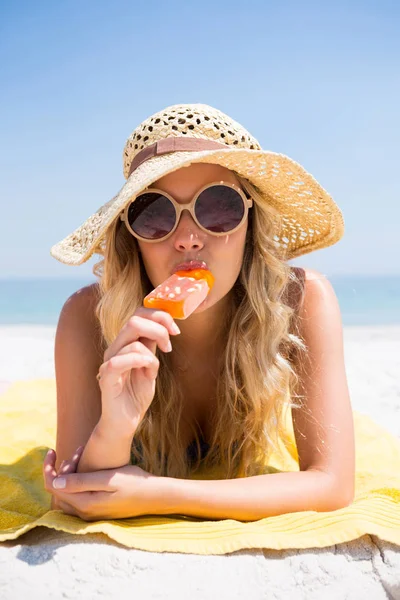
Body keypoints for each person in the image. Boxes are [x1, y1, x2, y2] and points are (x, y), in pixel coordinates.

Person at [43, 103, 355, 522]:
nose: (188, 239)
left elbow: (333, 484)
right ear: (131, 237)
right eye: (155, 214)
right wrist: (115, 427)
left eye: (218, 208)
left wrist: (157, 495)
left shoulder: (303, 301)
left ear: (251, 223)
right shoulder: (85, 319)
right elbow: (76, 496)